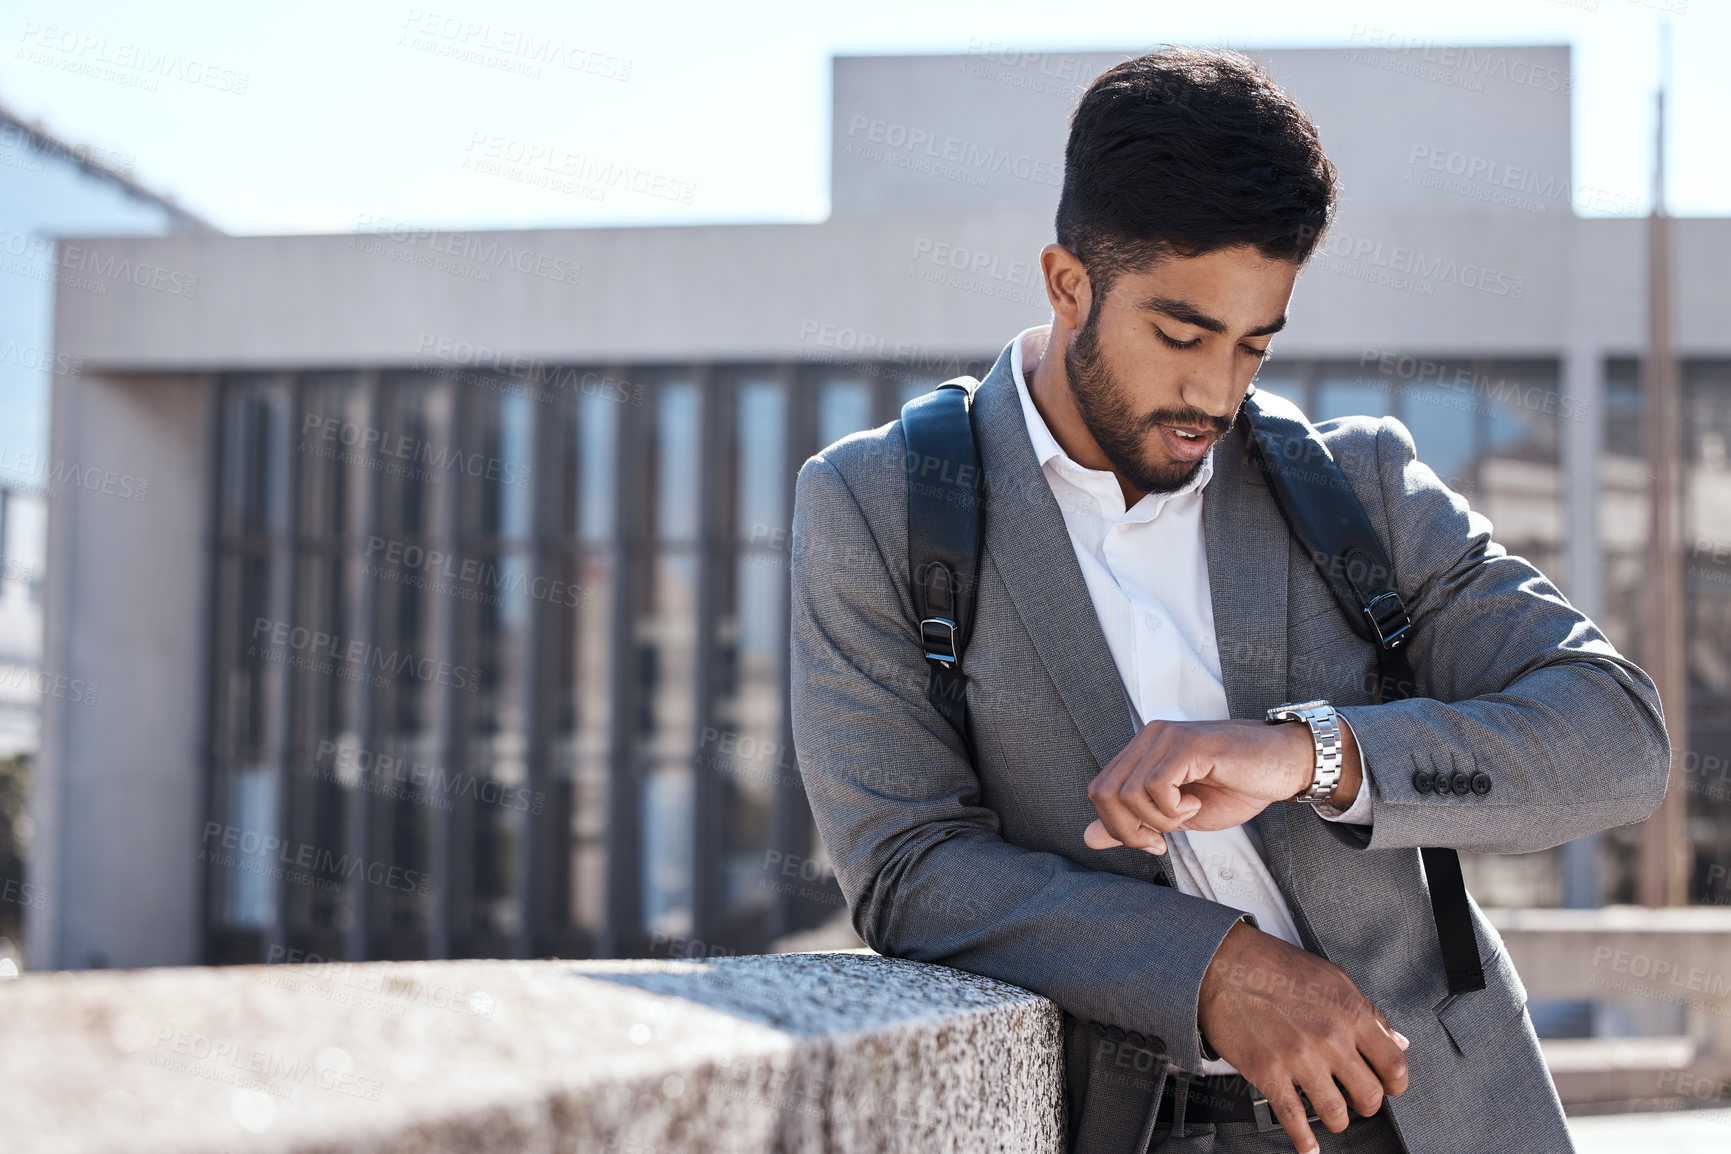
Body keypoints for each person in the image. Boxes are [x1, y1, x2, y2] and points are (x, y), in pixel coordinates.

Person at [788, 46, 1670, 1154]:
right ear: (1068, 284)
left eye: (1254, 343)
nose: (1216, 390)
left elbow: (1619, 734)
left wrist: (1312, 753)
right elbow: (908, 864)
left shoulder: (1361, 488)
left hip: (1438, 1112)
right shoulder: (880, 506)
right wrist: (1210, 965)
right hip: (1141, 1125)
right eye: (1181, 332)